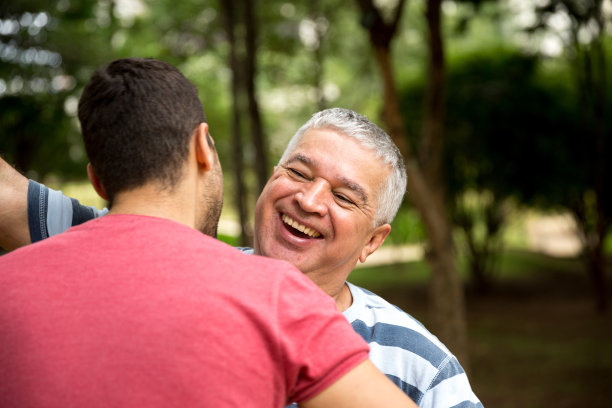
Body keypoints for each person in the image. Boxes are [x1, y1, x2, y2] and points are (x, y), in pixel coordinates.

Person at [0, 58, 417, 408]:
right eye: (297, 172)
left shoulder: (18, 279)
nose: (309, 201)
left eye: (344, 197)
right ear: (203, 148)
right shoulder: (279, 299)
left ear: (97, 181)